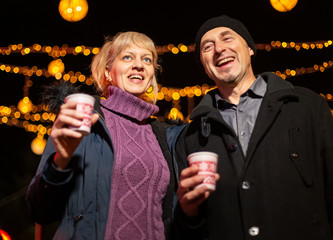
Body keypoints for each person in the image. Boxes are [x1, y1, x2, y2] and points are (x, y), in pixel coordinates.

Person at [173, 15, 333, 240]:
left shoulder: (307, 107)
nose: (219, 49)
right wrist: (188, 213)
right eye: (207, 47)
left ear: (249, 49)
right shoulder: (191, 135)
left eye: (227, 38)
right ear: (204, 66)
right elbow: (188, 231)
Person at [26, 31, 179, 240]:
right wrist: (60, 161)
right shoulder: (82, 118)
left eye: (147, 59)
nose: (139, 65)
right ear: (108, 71)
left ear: (152, 74)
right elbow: (40, 210)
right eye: (127, 57)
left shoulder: (165, 136)